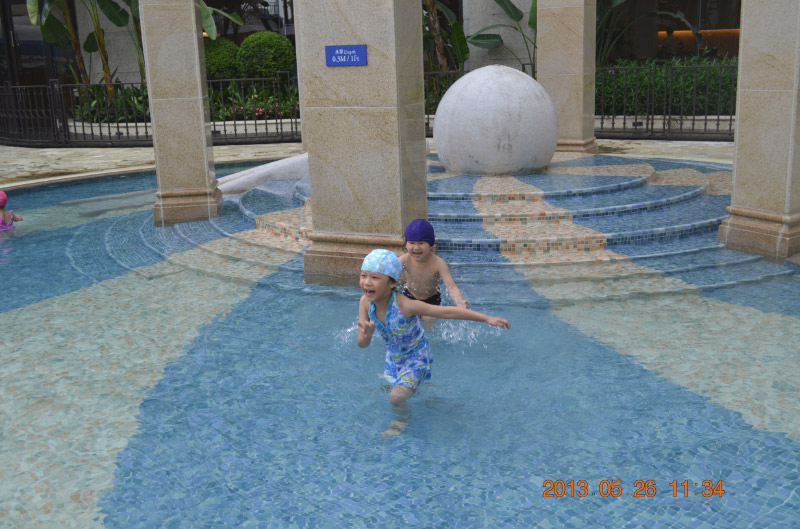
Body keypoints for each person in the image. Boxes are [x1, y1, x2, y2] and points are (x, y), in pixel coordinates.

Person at [357, 249, 510, 437]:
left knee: (395, 397)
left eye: (374, 278)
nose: (367, 282)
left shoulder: (405, 305)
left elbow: (448, 312)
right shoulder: (365, 303)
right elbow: (361, 344)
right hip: (394, 357)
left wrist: (486, 318)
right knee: (393, 388)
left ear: (392, 283)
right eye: (363, 276)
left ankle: (400, 422)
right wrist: (366, 336)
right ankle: (419, 387)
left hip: (416, 356)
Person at [399, 218, 466, 326]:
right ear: (406, 244)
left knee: (428, 323)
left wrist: (459, 302)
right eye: (411, 242)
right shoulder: (404, 260)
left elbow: (451, 287)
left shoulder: (438, 263)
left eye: (421, 243)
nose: (416, 247)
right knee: (405, 324)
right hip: (410, 297)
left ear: (430, 244)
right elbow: (387, 275)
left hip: (431, 300)